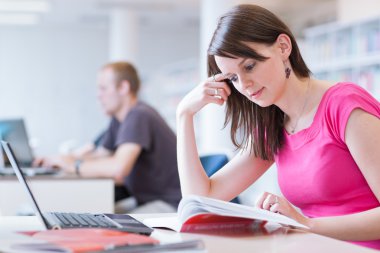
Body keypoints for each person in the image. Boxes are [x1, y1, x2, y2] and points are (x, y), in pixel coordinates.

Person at [176, 4, 380, 250]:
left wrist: (306, 224)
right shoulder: (273, 125)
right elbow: (201, 198)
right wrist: (184, 114)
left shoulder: (344, 105)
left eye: (249, 66)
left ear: (283, 47)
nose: (244, 85)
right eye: (232, 78)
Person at [36, 61, 181, 213]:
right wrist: (62, 160)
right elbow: (100, 156)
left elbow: (118, 168)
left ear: (124, 88)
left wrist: (73, 165)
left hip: (169, 204)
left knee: (103, 223)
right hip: (145, 200)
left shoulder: (139, 115)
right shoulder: (118, 121)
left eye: (103, 88)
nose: (98, 95)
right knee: (93, 216)